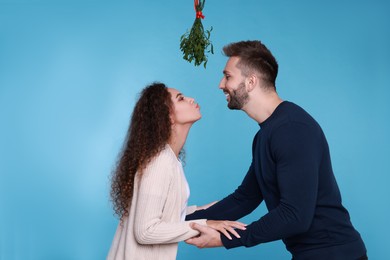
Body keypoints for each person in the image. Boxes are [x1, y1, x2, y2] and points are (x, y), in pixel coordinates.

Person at [185, 41, 368, 260]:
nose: (221, 84)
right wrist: (181, 220)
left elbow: (295, 215)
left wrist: (226, 239)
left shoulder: (292, 129)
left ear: (251, 82)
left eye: (228, 76)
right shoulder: (266, 134)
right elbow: (244, 198)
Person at [107, 82, 246, 260]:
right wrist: (205, 223)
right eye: (181, 99)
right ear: (167, 117)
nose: (191, 99)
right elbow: (145, 232)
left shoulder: (169, 159)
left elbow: (163, 215)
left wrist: (205, 209)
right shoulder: (160, 162)